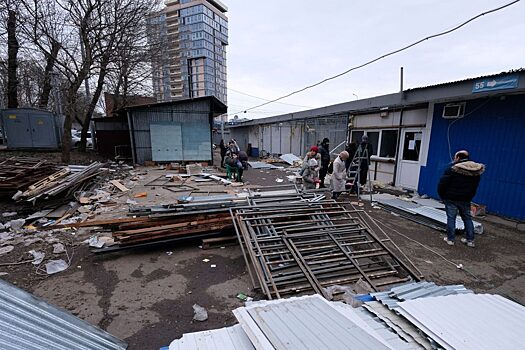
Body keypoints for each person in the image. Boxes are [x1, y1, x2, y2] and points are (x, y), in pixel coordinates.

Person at [438, 150, 485, 247]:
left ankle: (450, 239)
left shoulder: (452, 169)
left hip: (451, 198)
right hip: (466, 199)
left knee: (451, 218)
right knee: (467, 219)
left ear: (458, 158)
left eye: (455, 157)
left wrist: (442, 196)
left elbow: (442, 184)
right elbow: (474, 187)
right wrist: (469, 197)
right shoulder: (475, 171)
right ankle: (470, 240)